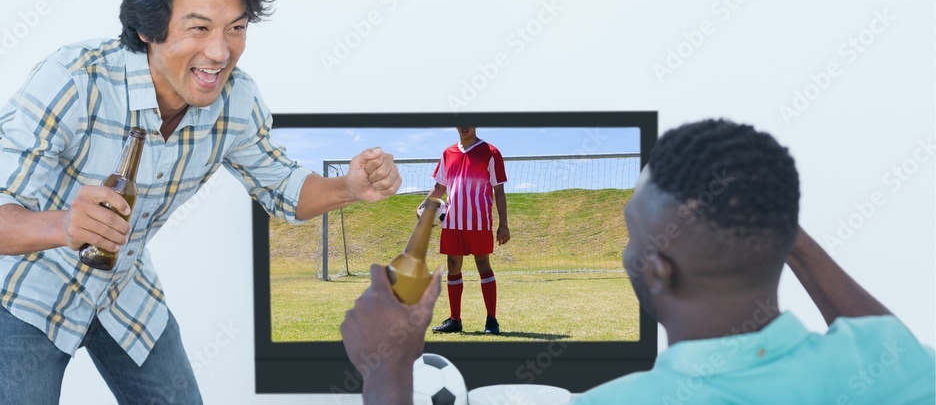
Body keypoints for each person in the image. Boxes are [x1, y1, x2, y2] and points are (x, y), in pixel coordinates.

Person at [0, 0, 402, 404]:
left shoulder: (236, 101)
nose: (220, 52)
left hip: (121, 291)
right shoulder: (74, 81)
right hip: (26, 293)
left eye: (235, 28)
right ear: (148, 29)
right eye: (199, 28)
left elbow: (283, 187)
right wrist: (66, 225)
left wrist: (349, 186)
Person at [341, 119, 935, 404]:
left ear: (657, 271)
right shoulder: (896, 368)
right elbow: (887, 341)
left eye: (632, 238)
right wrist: (773, 218)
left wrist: (386, 369)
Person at [422, 126, 509, 335]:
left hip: (478, 221)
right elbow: (440, 186)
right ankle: (455, 320)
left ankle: (491, 321)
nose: (464, 126)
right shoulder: (448, 153)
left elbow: (499, 190)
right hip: (452, 221)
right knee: (453, 265)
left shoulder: (491, 152)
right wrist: (423, 205)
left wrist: (503, 223)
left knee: (483, 265)